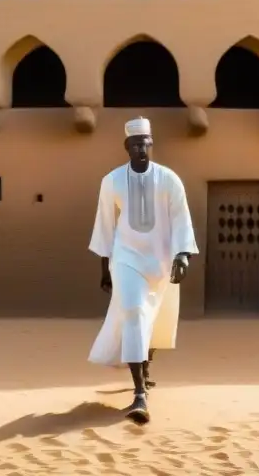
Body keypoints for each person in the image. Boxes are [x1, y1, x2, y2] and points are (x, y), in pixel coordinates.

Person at [88, 116, 199, 423]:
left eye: (145, 143)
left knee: (153, 316)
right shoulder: (111, 181)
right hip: (126, 257)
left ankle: (145, 366)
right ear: (127, 147)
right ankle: (139, 394)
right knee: (135, 311)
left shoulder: (169, 179)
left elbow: (181, 218)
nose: (140, 149)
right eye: (134, 144)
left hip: (160, 259)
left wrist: (183, 255)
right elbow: (105, 227)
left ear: (152, 145)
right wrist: (105, 268)